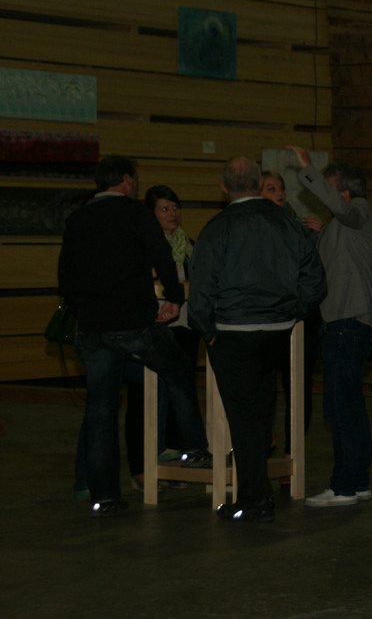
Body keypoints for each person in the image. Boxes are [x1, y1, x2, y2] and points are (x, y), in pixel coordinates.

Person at [59, 155, 211, 517]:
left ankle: (104, 495)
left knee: (101, 410)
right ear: (127, 180)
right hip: (133, 325)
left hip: (92, 330)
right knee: (177, 369)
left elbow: (65, 274)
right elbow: (161, 255)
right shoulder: (136, 215)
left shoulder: (78, 218)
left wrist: (85, 312)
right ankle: (193, 447)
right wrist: (173, 298)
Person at [189, 156, 326, 523]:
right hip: (276, 331)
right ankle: (257, 493)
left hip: (233, 332)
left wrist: (207, 331)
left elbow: (201, 287)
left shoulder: (218, 228)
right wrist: (292, 312)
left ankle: (254, 499)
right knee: (262, 411)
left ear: (223, 187)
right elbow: (315, 280)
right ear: (257, 183)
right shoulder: (288, 224)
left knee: (244, 419)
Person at [291, 146, 372, 507]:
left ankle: (343, 487)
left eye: (327, 188)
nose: (323, 197)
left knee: (340, 408)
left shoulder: (360, 209)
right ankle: (357, 482)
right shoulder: (339, 224)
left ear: (343, 191)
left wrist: (308, 169)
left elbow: (345, 215)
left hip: (347, 320)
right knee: (349, 406)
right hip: (342, 320)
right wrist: (320, 233)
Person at [122, 185, 203, 491]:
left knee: (179, 396)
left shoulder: (190, 245)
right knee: (142, 397)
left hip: (184, 327)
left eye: (175, 207)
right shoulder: (139, 246)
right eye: (164, 209)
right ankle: (141, 468)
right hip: (150, 328)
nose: (173, 214)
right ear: (151, 214)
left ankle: (172, 466)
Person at [259, 167, 318, 477]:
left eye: (281, 187)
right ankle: (263, 438)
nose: (279, 193)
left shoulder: (299, 229)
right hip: (263, 320)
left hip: (296, 320)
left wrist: (299, 309)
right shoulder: (249, 228)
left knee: (298, 388)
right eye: (271, 188)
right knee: (262, 383)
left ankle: (291, 453)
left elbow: (314, 276)